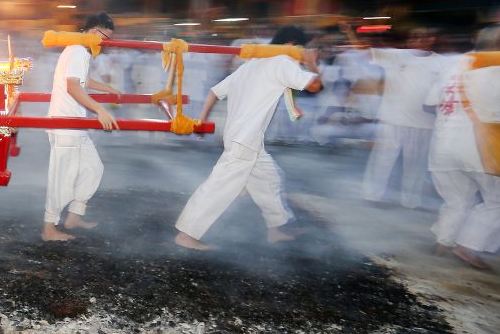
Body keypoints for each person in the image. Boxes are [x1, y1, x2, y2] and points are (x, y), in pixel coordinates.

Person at [174, 26, 323, 250]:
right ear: (292, 45)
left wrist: (201, 120)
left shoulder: (252, 64)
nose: (304, 53)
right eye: (303, 48)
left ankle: (277, 228)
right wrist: (311, 62)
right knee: (219, 186)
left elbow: (215, 91)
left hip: (244, 138)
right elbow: (315, 85)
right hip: (245, 139)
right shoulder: (282, 61)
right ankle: (186, 234)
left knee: (270, 179)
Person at [425, 25, 500, 269]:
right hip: (482, 149)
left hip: (442, 146)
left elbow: (429, 104)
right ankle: (468, 247)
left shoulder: (452, 65)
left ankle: (443, 243)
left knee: (457, 199)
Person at [42, 12, 121, 242]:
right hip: (66, 123)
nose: (105, 44)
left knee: (93, 168)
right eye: (106, 38)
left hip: (75, 123)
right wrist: (100, 110)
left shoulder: (81, 50)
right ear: (95, 31)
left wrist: (107, 88)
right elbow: (73, 87)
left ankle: (74, 217)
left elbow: (83, 79)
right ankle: (49, 229)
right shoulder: (77, 50)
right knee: (62, 177)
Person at [355, 27, 445, 209]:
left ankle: (411, 201)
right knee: (382, 160)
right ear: (409, 41)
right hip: (392, 119)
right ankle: (372, 195)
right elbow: (365, 52)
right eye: (414, 36)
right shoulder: (397, 56)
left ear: (432, 39)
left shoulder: (442, 63)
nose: (418, 40)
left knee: (416, 165)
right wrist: (351, 31)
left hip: (424, 123)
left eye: (423, 36)